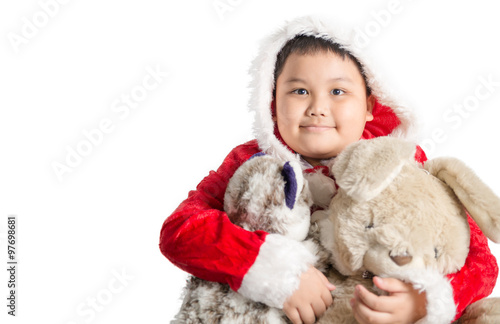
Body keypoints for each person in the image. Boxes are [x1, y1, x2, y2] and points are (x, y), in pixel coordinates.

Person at [159, 16, 498, 324]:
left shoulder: (402, 164)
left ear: (368, 106)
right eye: (299, 91)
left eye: (338, 91)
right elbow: (180, 231)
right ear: (272, 104)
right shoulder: (251, 161)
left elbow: (478, 259)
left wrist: (424, 302)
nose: (318, 108)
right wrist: (280, 274)